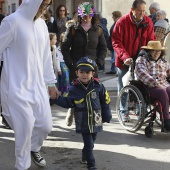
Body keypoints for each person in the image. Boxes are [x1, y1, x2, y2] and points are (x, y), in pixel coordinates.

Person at [0, 0, 60, 169]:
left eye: (47, 5)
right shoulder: (12, 22)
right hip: (16, 87)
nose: (44, 8)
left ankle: (34, 149)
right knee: (24, 128)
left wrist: (50, 82)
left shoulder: (42, 25)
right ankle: (22, 165)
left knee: (45, 125)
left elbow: (46, 58)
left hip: (38, 86)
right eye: (42, 4)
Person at [50, 56, 112, 170]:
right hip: (83, 121)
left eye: (87, 72)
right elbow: (67, 102)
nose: (84, 74)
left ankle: (85, 155)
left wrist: (107, 115)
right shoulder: (73, 89)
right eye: (81, 72)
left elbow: (106, 100)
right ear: (77, 73)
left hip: (96, 119)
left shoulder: (99, 86)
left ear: (92, 73)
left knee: (92, 141)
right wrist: (54, 98)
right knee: (89, 144)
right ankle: (91, 165)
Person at [112, 0, 155, 121]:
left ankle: (139, 108)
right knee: (123, 87)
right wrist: (125, 57)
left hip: (141, 60)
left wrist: (146, 56)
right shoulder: (122, 22)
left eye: (144, 11)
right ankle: (123, 111)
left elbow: (151, 41)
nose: (142, 13)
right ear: (132, 10)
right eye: (139, 11)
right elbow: (116, 42)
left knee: (141, 86)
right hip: (124, 60)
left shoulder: (148, 21)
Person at [61, 2, 107, 83]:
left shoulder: (98, 29)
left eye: (89, 14)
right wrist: (71, 64)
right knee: (76, 94)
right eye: (84, 14)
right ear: (80, 14)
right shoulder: (73, 28)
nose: (87, 17)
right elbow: (64, 47)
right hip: (76, 70)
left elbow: (103, 48)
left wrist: (98, 63)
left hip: (92, 69)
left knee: (92, 93)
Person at [135, 40, 170, 131]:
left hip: (163, 85)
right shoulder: (141, 60)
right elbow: (142, 74)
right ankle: (166, 120)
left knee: (167, 89)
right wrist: (155, 83)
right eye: (154, 51)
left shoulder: (163, 61)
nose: (156, 53)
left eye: (158, 51)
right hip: (148, 87)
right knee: (162, 92)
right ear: (149, 51)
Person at [106, 11, 122, 75]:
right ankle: (113, 69)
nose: (112, 17)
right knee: (114, 57)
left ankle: (116, 70)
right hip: (113, 42)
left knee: (115, 58)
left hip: (115, 43)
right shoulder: (116, 22)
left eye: (113, 16)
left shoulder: (118, 23)